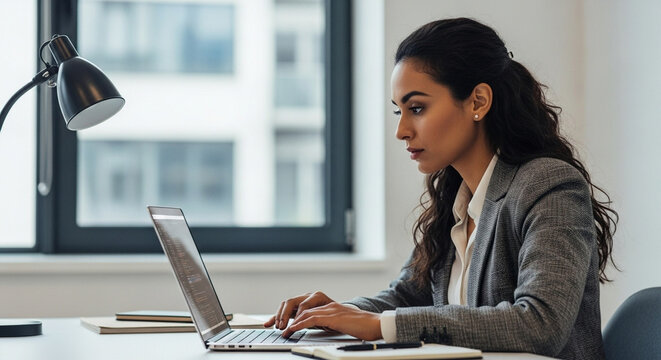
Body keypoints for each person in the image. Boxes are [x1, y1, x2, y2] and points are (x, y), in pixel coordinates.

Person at [264, 17, 617, 360]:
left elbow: (541, 324)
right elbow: (405, 297)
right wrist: (334, 315)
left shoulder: (548, 185)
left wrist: (378, 325)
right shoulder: (456, 199)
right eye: (398, 111)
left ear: (478, 101)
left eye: (417, 108)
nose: (401, 130)